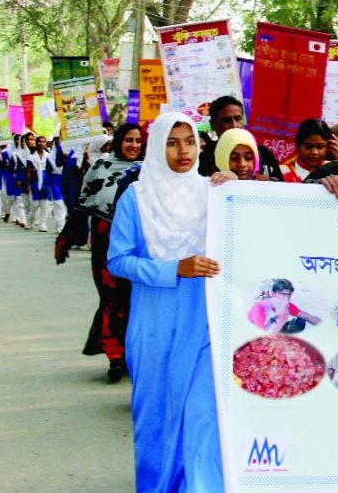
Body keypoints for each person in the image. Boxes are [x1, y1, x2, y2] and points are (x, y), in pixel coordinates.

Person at [107, 112, 224, 492]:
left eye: (189, 141)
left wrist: (238, 189)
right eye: (172, 143)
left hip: (204, 320)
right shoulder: (136, 198)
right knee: (156, 416)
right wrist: (175, 268)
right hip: (154, 322)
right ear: (157, 147)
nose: (182, 151)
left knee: (202, 413)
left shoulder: (215, 193)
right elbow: (118, 259)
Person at [57, 123, 143, 383]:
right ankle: (114, 356)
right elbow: (83, 205)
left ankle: (132, 354)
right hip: (105, 244)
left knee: (134, 299)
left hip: (138, 246)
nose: (134, 146)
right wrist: (66, 239)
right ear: (117, 142)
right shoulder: (100, 168)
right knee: (110, 298)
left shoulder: (150, 171)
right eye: (128, 140)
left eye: (138, 141)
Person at [197, 95, 282, 180]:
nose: (234, 125)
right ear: (213, 124)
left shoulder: (263, 153)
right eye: (227, 120)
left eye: (238, 119)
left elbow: (282, 188)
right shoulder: (204, 159)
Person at [247, 279, 321, 334]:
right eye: (283, 294)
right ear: (273, 293)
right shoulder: (260, 308)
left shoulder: (286, 305)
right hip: (259, 334)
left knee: (299, 322)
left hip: (275, 328)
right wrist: (281, 319)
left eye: (289, 295)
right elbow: (264, 337)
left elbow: (307, 316)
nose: (287, 299)